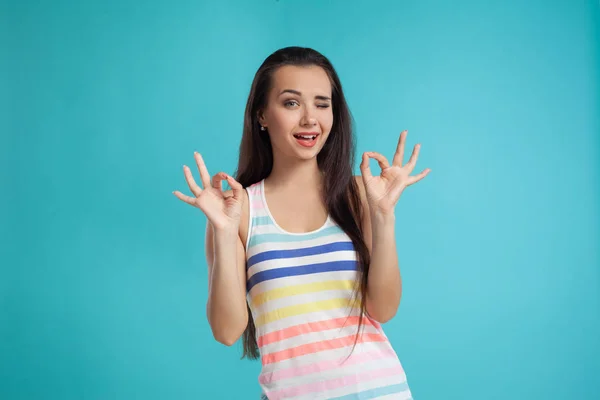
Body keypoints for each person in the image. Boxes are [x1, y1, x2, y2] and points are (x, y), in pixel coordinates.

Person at [173, 46, 430, 399]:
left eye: (322, 104)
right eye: (292, 103)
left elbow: (382, 309)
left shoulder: (358, 195)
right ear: (262, 114)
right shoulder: (238, 209)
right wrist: (222, 231)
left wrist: (383, 216)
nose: (310, 119)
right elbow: (227, 330)